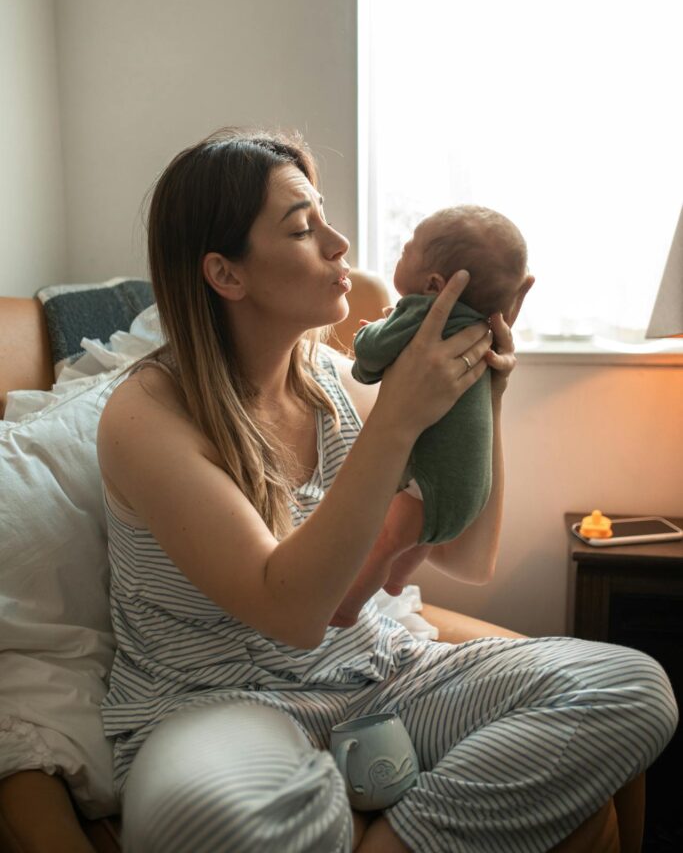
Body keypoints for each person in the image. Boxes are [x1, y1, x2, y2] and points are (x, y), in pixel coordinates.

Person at [97, 129, 677, 853]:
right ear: (226, 273)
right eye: (304, 229)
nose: (340, 244)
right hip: (220, 704)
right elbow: (294, 613)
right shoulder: (146, 415)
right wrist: (399, 416)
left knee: (633, 687)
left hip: (380, 678)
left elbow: (465, 556)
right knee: (225, 820)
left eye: (327, 217)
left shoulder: (337, 382)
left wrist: (483, 389)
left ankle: (400, 839)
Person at [331, 205, 533, 627]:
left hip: (382, 619)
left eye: (406, 249)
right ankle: (388, 586)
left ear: (435, 285)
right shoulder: (464, 328)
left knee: (393, 538)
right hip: (467, 492)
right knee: (408, 536)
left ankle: (356, 604)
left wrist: (494, 391)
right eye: (299, 229)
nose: (339, 243)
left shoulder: (423, 325)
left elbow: (472, 566)